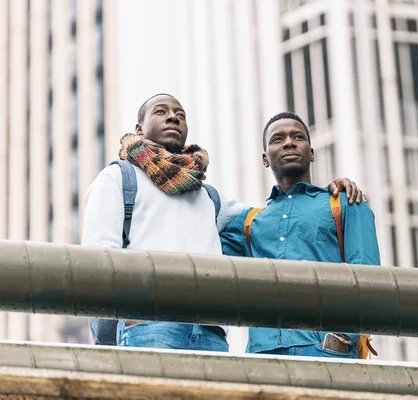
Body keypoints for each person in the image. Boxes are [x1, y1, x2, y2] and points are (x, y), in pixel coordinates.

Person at [81, 94, 365, 352]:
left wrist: (325, 195)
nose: (173, 117)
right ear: (139, 128)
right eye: (161, 111)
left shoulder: (209, 197)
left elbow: (277, 220)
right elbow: (97, 261)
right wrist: (109, 340)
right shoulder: (119, 179)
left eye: (180, 113)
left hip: (210, 334)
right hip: (148, 326)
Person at [220, 112, 380, 359]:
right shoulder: (249, 222)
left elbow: (368, 277)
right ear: (265, 159)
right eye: (277, 139)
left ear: (312, 153)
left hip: (327, 352)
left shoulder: (347, 204)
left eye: (298, 137)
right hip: (261, 356)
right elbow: (200, 241)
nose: (289, 143)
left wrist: (341, 339)